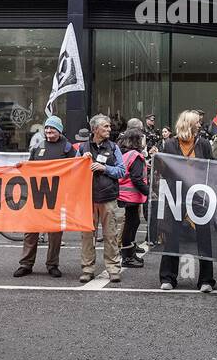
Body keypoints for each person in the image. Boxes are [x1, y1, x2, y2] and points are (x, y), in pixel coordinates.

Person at [158, 111, 216, 292]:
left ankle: (206, 280)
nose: (200, 125)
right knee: (172, 237)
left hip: (199, 197)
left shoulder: (204, 144)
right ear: (188, 124)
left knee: (204, 238)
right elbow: (165, 171)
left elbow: (211, 167)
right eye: (197, 123)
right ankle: (168, 278)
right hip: (176, 197)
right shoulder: (170, 144)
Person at [15, 116, 76, 278]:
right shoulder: (38, 146)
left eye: (52, 129)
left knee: (55, 233)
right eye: (47, 128)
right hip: (37, 195)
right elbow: (30, 168)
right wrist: (22, 168)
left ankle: (52, 264)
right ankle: (26, 264)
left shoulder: (68, 148)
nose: (49, 131)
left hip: (58, 196)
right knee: (31, 230)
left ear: (59, 130)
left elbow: (76, 169)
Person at [77, 114, 126, 284]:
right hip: (88, 198)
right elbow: (74, 171)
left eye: (109, 126)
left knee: (110, 235)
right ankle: (87, 269)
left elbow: (122, 171)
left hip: (108, 198)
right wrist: (81, 162)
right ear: (95, 129)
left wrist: (104, 168)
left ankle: (113, 268)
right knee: (87, 236)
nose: (109, 129)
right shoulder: (83, 148)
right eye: (105, 126)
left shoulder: (113, 147)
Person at [117, 128, 149, 269]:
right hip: (131, 195)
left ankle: (129, 252)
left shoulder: (126, 154)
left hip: (124, 194)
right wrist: (149, 192)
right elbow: (136, 178)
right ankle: (127, 256)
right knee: (131, 224)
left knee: (133, 222)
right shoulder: (136, 156)